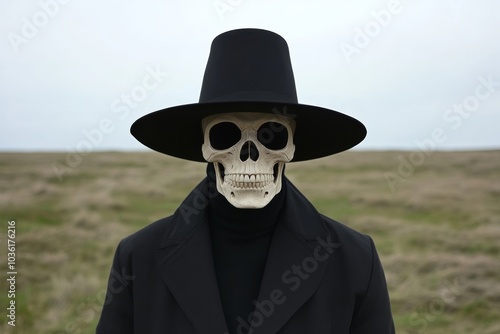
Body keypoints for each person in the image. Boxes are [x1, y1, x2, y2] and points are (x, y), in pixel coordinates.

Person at [96, 28, 395, 334]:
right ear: (204, 146)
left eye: (273, 135)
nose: (249, 156)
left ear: (292, 146)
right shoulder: (138, 258)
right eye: (225, 135)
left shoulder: (355, 260)